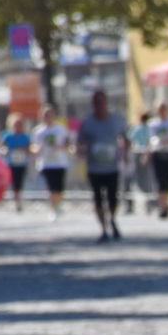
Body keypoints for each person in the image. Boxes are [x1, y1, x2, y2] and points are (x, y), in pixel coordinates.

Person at [75, 89, 128, 241]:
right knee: (98, 198)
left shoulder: (116, 119)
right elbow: (80, 142)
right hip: (94, 167)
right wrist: (81, 153)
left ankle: (112, 218)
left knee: (113, 198)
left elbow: (125, 137)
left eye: (102, 102)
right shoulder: (88, 123)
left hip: (112, 166)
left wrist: (126, 156)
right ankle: (104, 229)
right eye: (96, 102)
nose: (99, 105)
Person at [32, 105, 71, 218]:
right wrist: (36, 149)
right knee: (51, 187)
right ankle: (53, 209)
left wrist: (59, 147)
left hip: (60, 162)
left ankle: (59, 204)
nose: (48, 117)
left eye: (50, 115)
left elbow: (68, 144)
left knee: (59, 187)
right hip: (46, 163)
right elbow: (34, 146)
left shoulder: (60, 129)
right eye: (45, 115)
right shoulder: (38, 131)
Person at [147, 102, 168, 218]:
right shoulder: (152, 124)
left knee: (166, 181)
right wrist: (146, 155)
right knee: (158, 180)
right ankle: (161, 205)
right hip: (157, 153)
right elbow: (149, 141)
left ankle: (165, 205)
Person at [1, 113, 34, 211]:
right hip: (10, 163)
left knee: (19, 182)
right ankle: (11, 199)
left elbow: (29, 148)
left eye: (20, 124)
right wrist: (5, 150)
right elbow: (2, 146)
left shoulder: (25, 137)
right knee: (10, 181)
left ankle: (18, 199)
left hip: (21, 163)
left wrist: (24, 150)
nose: (18, 126)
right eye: (16, 124)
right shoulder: (7, 135)